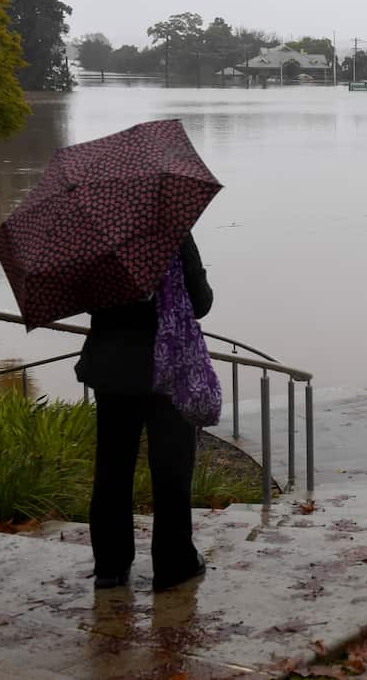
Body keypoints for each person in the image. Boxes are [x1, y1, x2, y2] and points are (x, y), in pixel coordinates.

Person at [75, 233, 213, 591]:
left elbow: (86, 300)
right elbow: (200, 303)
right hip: (167, 370)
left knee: (112, 467)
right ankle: (174, 562)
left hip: (113, 372)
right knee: (172, 468)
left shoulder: (95, 237)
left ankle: (110, 566)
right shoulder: (173, 232)